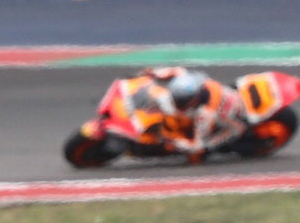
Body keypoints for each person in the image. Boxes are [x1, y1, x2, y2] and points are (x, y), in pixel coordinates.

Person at [98, 67, 248, 161]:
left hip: (232, 123)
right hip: (221, 96)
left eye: (181, 100)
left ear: (193, 100)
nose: (177, 101)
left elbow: (197, 144)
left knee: (195, 154)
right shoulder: (185, 77)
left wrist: (179, 143)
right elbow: (170, 71)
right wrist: (149, 74)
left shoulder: (205, 114)